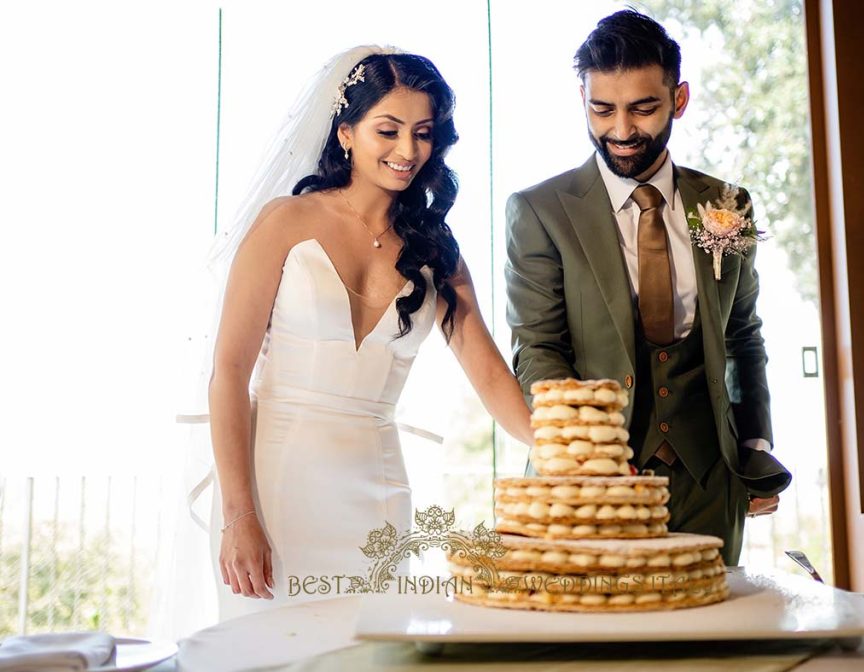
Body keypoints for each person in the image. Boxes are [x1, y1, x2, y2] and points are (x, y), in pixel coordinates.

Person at [208, 47, 532, 619]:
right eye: (389, 130)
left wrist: (576, 454)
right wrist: (239, 515)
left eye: (423, 133)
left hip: (378, 492)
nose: (408, 150)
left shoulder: (438, 253)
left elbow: (488, 375)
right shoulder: (286, 222)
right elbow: (229, 373)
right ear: (347, 133)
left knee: (374, 657)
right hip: (275, 487)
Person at [504, 11, 791, 566]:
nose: (621, 130)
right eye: (602, 108)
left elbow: (741, 336)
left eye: (643, 108)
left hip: (710, 484)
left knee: (707, 642)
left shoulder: (726, 206)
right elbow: (538, 349)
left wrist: (754, 449)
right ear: (581, 99)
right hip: (588, 490)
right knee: (592, 643)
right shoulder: (539, 212)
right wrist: (588, 458)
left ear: (678, 99)